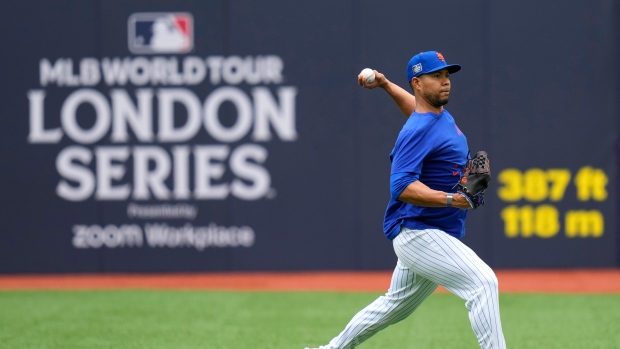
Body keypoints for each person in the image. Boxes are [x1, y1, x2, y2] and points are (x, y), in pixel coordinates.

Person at [305, 51, 506, 349]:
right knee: (483, 284)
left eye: (447, 75)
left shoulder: (433, 116)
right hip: (418, 232)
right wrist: (452, 199)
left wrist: (386, 85)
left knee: (393, 307)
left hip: (429, 230)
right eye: (436, 76)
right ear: (417, 83)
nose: (445, 81)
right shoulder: (416, 130)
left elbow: (415, 109)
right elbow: (400, 186)